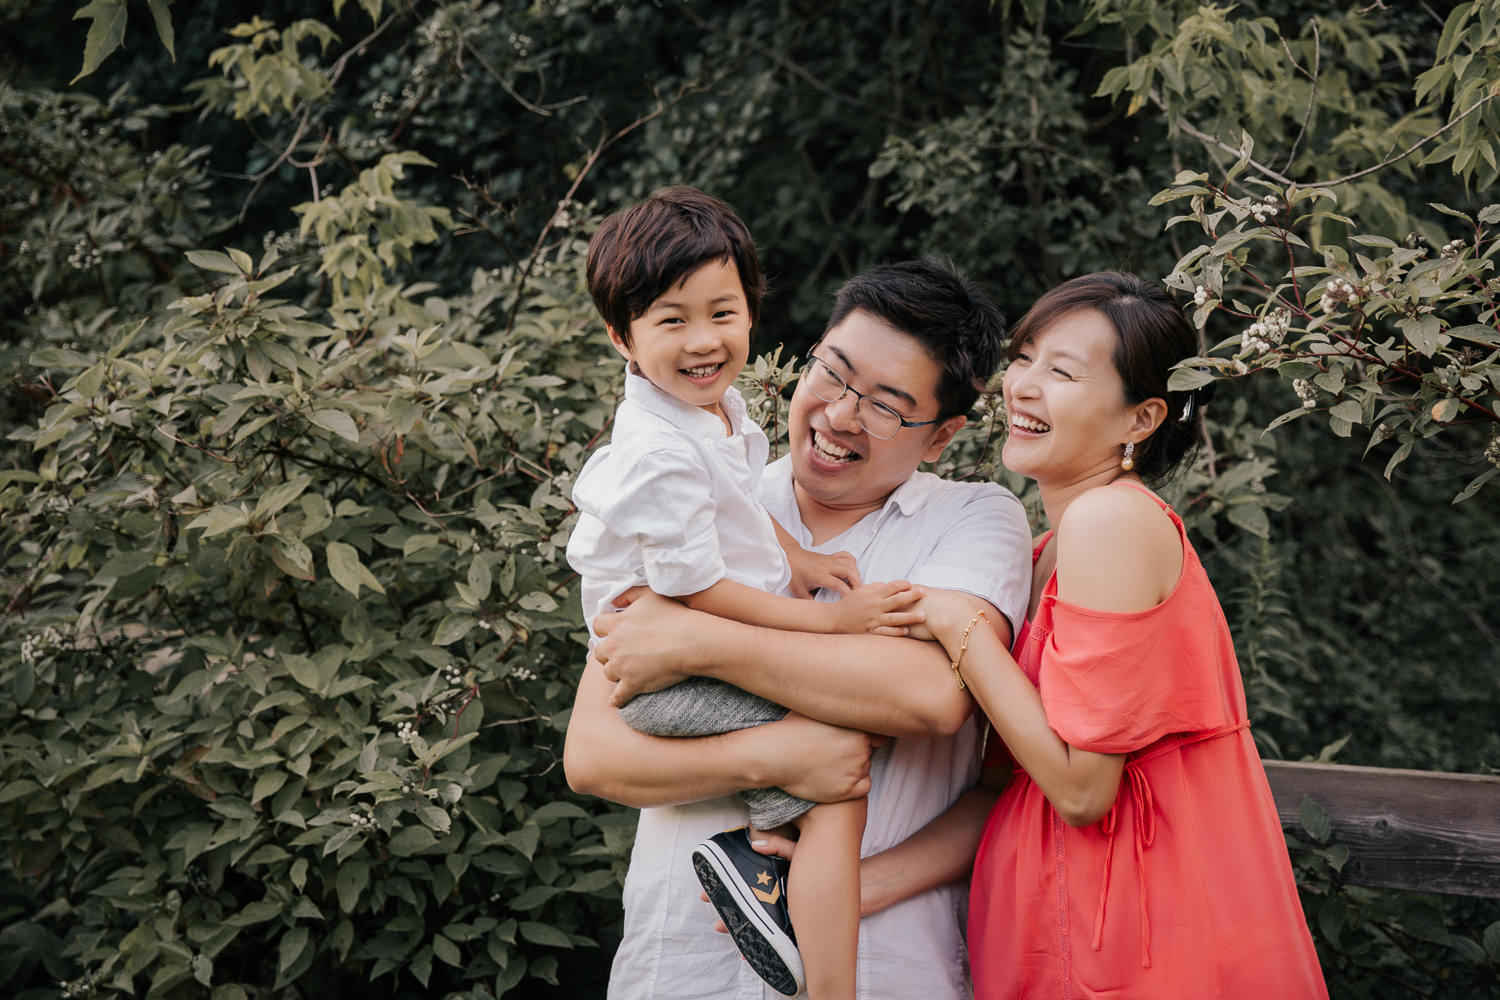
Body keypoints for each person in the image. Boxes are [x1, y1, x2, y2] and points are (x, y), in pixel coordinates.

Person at [564, 258, 1034, 1000]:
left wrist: (702, 642)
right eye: (834, 374)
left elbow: (928, 698)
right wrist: (782, 753)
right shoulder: (699, 491)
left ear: (941, 435)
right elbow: (594, 754)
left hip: (886, 969)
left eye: (886, 405)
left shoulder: (974, 520)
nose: (841, 415)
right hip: (680, 969)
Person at [904, 272, 1329, 998]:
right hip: (1051, 924)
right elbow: (1002, 785)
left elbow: (1080, 789)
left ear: (1142, 419)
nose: (1023, 386)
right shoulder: (1047, 554)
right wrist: (846, 887)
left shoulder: (1114, 522)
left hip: (1133, 929)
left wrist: (957, 621)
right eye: (1024, 356)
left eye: (1062, 371)